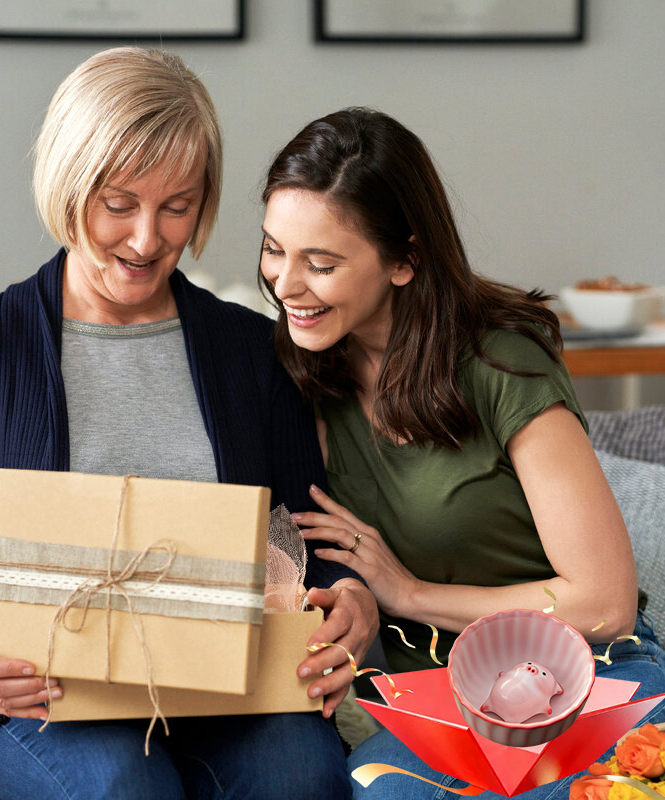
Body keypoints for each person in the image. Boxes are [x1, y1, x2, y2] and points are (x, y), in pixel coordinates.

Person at [0, 51, 379, 799]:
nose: (147, 239)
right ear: (67, 185)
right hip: (41, 695)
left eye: (177, 205)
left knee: (301, 777)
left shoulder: (252, 351)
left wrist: (352, 599)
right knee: (120, 786)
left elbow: (307, 540)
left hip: (231, 689)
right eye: (118, 203)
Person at [257, 107, 665, 799]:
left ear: (405, 259)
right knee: (376, 788)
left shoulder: (502, 363)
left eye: (320, 263)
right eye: (274, 250)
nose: (285, 285)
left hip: (587, 675)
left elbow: (605, 603)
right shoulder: (306, 373)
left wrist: (410, 595)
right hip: (447, 703)